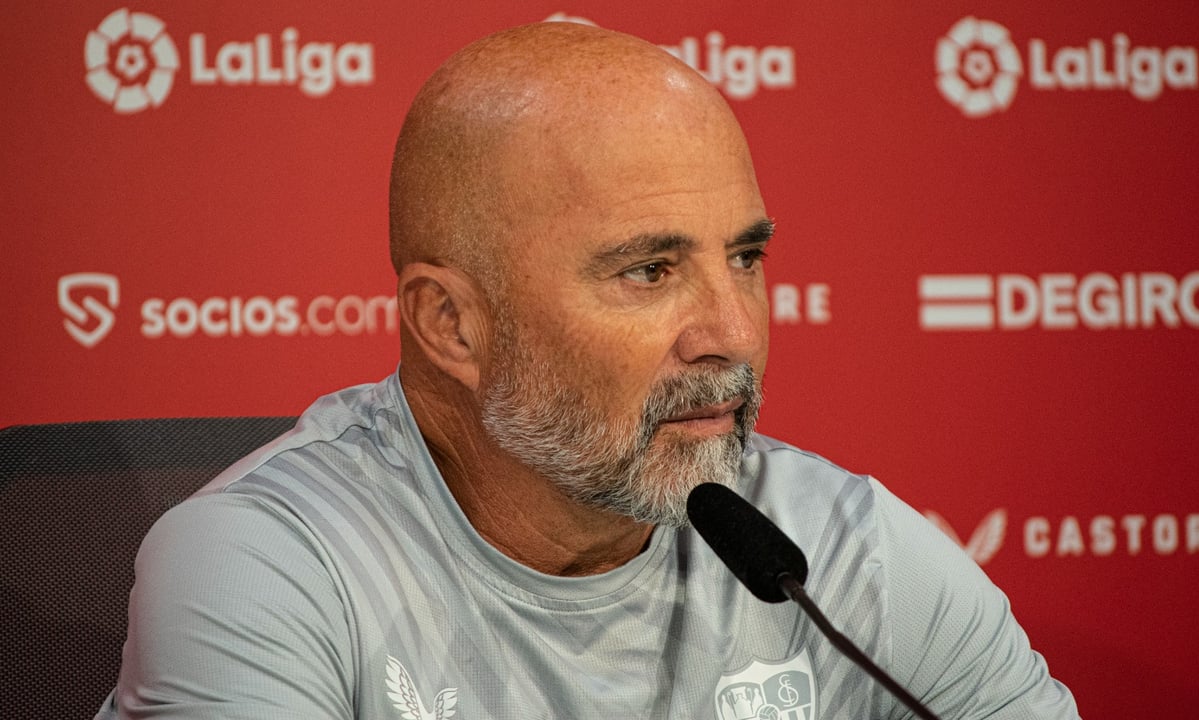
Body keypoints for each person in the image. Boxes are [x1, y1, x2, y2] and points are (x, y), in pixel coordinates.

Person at [97, 21, 1079, 720]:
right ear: (451, 325)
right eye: (648, 271)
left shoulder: (837, 554)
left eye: (745, 258)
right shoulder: (268, 567)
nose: (732, 332)